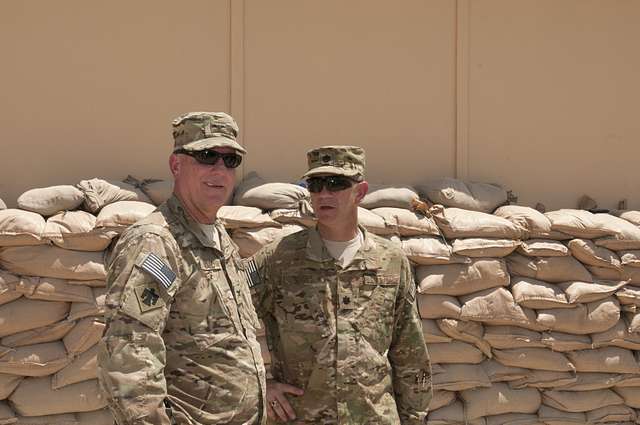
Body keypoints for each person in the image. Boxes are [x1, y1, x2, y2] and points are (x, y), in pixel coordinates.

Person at [98, 112, 266, 425]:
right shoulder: (156, 241)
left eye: (230, 160)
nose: (220, 169)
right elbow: (129, 347)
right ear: (177, 165)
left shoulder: (219, 236)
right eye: (207, 156)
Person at [253, 146, 432, 424]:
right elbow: (225, 322)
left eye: (336, 184)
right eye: (315, 185)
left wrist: (414, 416)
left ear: (360, 192)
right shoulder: (279, 258)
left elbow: (410, 350)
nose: (324, 194)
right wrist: (260, 384)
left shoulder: (391, 261)